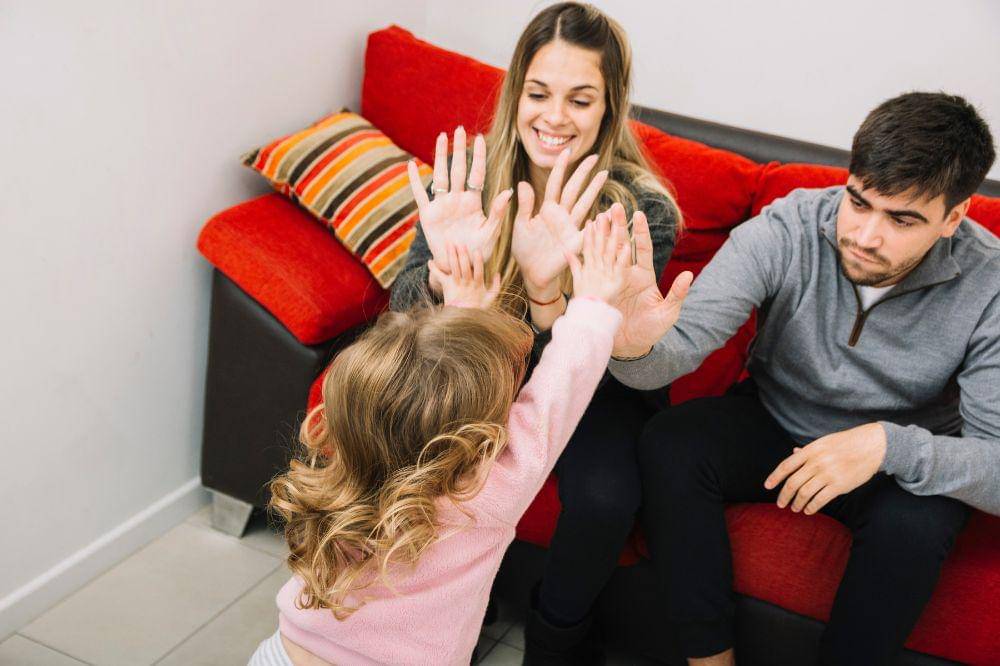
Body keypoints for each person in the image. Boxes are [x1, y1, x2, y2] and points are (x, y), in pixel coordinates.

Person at [607, 91, 999, 665]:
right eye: (859, 202)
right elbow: (681, 348)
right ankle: (710, 660)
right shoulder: (788, 227)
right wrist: (632, 345)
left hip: (893, 460)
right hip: (776, 419)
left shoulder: (990, 286)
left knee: (915, 529)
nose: (865, 235)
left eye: (902, 219)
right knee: (671, 441)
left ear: (954, 217)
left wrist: (890, 445)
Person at [390, 4, 681, 661]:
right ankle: (454, 603)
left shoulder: (642, 207)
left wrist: (548, 295)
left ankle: (554, 639)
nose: (554, 118)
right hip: (481, 373)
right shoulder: (466, 184)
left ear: (610, 106)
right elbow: (399, 314)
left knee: (606, 496)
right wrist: (444, 278)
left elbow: (608, 357)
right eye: (539, 93)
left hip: (598, 387)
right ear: (515, 92)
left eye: (580, 99)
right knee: (424, 448)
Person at [248, 218, 642, 665]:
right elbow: (557, 393)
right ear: (476, 427)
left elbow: (422, 375)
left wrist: (461, 312)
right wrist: (592, 307)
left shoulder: (342, 460)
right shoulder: (486, 492)